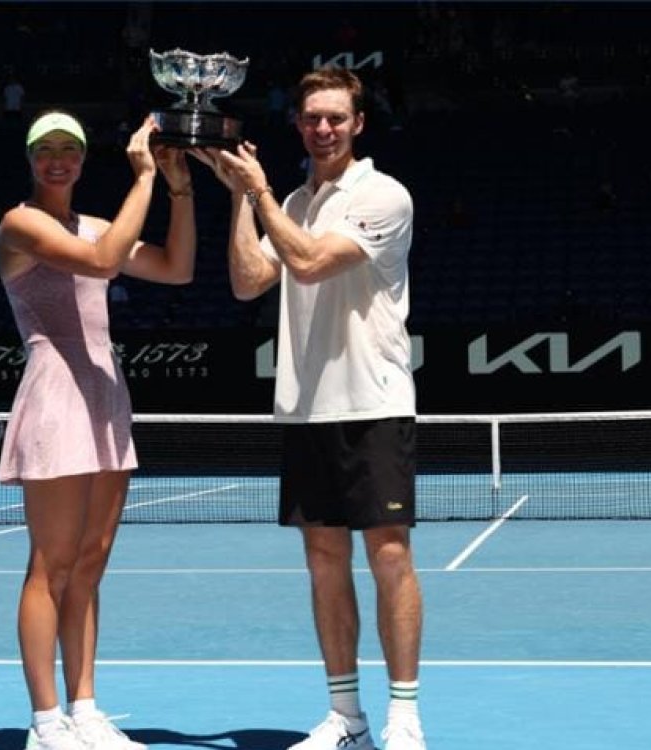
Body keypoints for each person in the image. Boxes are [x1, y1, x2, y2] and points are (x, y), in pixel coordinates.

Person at [193, 67, 425, 750]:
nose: (323, 128)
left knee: (389, 557)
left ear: (358, 124)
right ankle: (346, 717)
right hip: (305, 409)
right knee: (324, 561)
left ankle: (404, 716)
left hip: (373, 403)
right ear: (298, 124)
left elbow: (314, 262)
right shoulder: (289, 201)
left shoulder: (384, 195)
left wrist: (259, 191)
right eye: (311, 118)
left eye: (335, 118)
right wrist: (242, 198)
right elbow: (246, 281)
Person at [0, 110, 196, 750]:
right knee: (49, 566)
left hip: (106, 398)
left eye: (70, 150)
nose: (58, 160)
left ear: (82, 159)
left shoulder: (97, 225)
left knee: (88, 565)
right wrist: (143, 177)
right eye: (46, 150)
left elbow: (177, 267)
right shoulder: (20, 224)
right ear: (31, 159)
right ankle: (46, 723)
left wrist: (178, 187)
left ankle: (84, 710)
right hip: (55, 397)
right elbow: (104, 263)